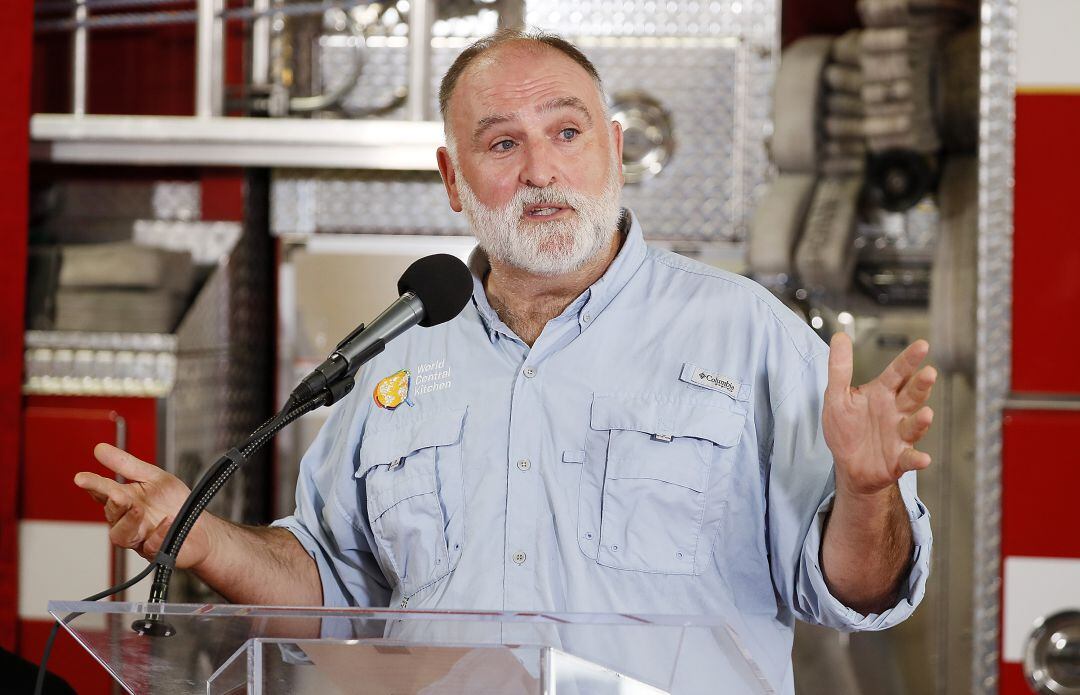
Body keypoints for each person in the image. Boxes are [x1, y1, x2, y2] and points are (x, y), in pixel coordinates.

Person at [75, 30, 935, 692]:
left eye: (567, 131)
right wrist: (198, 536)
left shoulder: (745, 332)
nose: (541, 171)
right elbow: (332, 592)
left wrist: (868, 493)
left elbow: (859, 591)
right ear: (453, 179)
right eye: (501, 145)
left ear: (615, 146)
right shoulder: (395, 355)